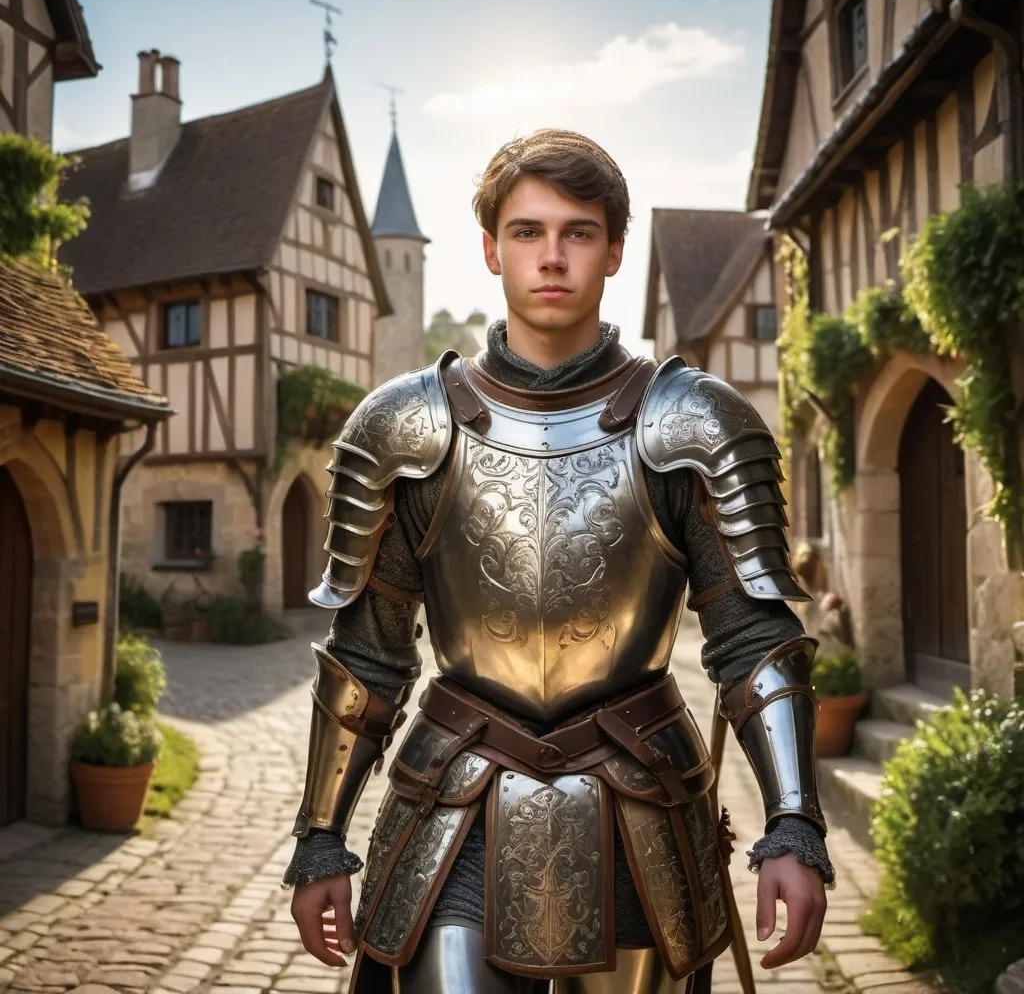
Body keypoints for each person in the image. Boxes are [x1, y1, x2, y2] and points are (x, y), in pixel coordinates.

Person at [284, 129, 834, 993]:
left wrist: (795, 825)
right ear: (491, 248)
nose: (552, 256)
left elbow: (752, 637)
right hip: (451, 808)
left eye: (578, 232)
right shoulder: (405, 428)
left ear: (615, 249)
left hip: (640, 807)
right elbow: (367, 652)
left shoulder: (692, 424)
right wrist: (321, 833)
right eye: (528, 231)